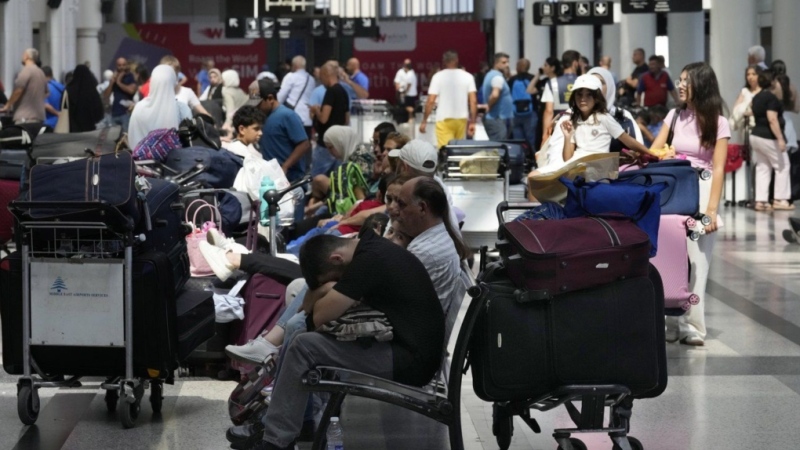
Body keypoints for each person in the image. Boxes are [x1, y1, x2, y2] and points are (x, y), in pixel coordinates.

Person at [245, 230, 445, 450]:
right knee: (302, 335)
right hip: (408, 349)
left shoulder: (369, 261)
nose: (338, 283)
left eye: (336, 280)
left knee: (304, 345)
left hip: (411, 362)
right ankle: (294, 425)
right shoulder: (371, 245)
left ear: (336, 259)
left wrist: (315, 293)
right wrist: (324, 290)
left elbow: (319, 317)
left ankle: (276, 442)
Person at [650, 62, 731, 346]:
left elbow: (718, 169)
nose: (680, 85)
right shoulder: (673, 116)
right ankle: (669, 321)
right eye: (680, 79)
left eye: (687, 80)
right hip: (675, 193)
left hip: (702, 192)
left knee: (698, 261)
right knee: (670, 258)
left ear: (702, 85)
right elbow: (653, 153)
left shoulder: (719, 122)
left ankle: (693, 325)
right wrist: (663, 153)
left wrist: (711, 211)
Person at [558, 75, 653, 166]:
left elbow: (627, 140)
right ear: (574, 97)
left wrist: (651, 154)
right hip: (577, 169)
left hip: (599, 171)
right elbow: (567, 160)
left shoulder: (604, 118)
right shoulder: (573, 120)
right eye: (579, 94)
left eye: (589, 95)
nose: (583, 99)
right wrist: (567, 137)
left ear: (596, 98)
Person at [749, 69, 793, 211]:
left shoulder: (757, 97)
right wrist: (780, 139)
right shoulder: (771, 98)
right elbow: (772, 119)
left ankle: (761, 201)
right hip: (768, 136)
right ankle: (780, 199)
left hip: (755, 135)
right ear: (772, 82)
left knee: (763, 167)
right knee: (783, 165)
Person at [252, 79, 311, 182]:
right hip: (271, 177)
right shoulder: (263, 117)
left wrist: (285, 166)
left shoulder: (287, 115)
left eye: (258, 104)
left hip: (291, 179)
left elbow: (304, 144)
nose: (256, 108)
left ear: (270, 98)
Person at [420, 50, 478, 148]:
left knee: (445, 151)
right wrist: (472, 122)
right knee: (458, 151)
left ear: (444, 61)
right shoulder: (468, 77)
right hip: (461, 119)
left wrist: (424, 120)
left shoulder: (437, 77)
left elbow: (430, 101)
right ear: (457, 60)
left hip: (444, 118)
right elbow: (473, 101)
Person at [128, 65, 184, 148]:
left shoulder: (139, 107)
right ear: (173, 82)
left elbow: (132, 138)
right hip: (174, 159)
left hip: (141, 159)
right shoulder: (182, 108)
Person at [309, 62, 350, 172]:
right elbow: (347, 119)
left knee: (318, 178)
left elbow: (323, 118)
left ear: (326, 75)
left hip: (325, 144)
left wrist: (316, 110)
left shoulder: (330, 92)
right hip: (339, 145)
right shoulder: (343, 91)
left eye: (321, 77)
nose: (321, 81)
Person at [0, 49, 47, 124]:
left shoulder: (26, 71)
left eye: (23, 55)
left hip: (25, 117)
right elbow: (46, 93)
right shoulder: (41, 72)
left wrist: (7, 106)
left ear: (26, 57)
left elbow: (18, 90)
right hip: (39, 117)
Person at [541, 50, 581, 140]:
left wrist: (545, 135)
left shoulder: (552, 83)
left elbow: (548, 111)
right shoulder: (583, 81)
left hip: (559, 127)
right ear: (575, 63)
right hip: (580, 124)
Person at [277, 55, 315, 138]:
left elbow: (281, 97)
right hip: (308, 118)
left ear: (294, 66)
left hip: (293, 117)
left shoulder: (290, 77)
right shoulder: (311, 79)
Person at [482, 52, 514, 141]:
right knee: (499, 146)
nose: (507, 65)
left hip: (498, 118)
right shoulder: (497, 77)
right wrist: (489, 105)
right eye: (504, 63)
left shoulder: (493, 75)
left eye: (508, 62)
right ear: (496, 63)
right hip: (497, 118)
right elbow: (495, 95)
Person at [508, 58, 539, 151]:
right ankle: (533, 160)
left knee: (518, 141)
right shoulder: (533, 79)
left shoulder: (512, 80)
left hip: (515, 113)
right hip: (531, 112)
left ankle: (520, 160)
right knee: (531, 139)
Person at [65, 65, 104, 133]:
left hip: (73, 128)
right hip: (90, 128)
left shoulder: (69, 90)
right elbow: (98, 111)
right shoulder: (92, 91)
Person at [103, 57, 137, 131]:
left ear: (127, 65)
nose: (121, 67)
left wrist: (119, 82)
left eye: (123, 65)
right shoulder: (114, 79)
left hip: (126, 113)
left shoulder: (130, 76)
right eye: (119, 65)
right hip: (115, 113)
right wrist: (112, 82)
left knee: (125, 137)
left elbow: (131, 91)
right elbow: (105, 95)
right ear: (116, 66)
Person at [730, 65, 762, 143]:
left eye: (754, 74)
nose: (750, 77)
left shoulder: (763, 92)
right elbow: (735, 110)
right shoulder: (744, 91)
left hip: (760, 128)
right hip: (746, 128)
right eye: (748, 74)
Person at [394, 58, 418, 124]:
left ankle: (412, 117)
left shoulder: (411, 73)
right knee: (403, 107)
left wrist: (405, 92)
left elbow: (409, 85)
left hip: (409, 94)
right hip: (403, 93)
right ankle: (406, 119)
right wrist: (399, 91)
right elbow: (397, 83)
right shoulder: (400, 72)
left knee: (408, 107)